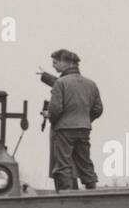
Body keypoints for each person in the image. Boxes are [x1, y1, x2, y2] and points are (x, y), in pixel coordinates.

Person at [37, 49, 103, 191]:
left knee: (63, 165)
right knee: (85, 164)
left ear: (64, 62)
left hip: (64, 130)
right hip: (84, 128)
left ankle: (67, 199)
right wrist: (85, 119)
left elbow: (55, 110)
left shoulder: (60, 83)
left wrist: (50, 116)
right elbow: (98, 109)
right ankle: (93, 195)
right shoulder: (91, 84)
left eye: (55, 63)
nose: (54, 66)